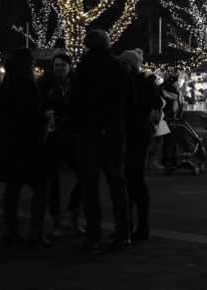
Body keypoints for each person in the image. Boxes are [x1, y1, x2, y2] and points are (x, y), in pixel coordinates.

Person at [71, 29, 132, 253]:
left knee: (90, 186)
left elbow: (75, 101)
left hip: (89, 133)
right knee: (117, 183)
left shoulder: (83, 68)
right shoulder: (117, 67)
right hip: (113, 131)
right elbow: (127, 99)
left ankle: (94, 235)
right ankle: (123, 232)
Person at [0, 47, 50, 247]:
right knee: (41, 187)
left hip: (9, 142)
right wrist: (44, 122)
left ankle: (11, 231)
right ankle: (35, 232)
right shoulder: (27, 83)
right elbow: (32, 114)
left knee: (12, 187)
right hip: (27, 143)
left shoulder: (7, 82)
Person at [118, 49, 161, 241]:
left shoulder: (140, 83)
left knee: (133, 179)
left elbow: (154, 105)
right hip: (133, 134)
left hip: (136, 135)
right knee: (130, 180)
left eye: (125, 64)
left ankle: (139, 224)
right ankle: (132, 224)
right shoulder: (140, 83)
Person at [40, 52, 82, 235]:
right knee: (53, 179)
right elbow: (39, 105)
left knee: (83, 175)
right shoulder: (44, 83)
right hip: (52, 137)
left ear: (69, 66)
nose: (59, 68)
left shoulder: (76, 84)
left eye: (63, 65)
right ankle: (56, 221)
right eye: (56, 65)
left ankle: (74, 216)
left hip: (72, 135)